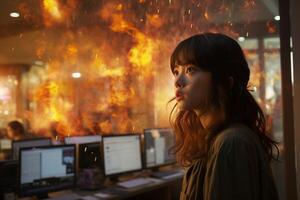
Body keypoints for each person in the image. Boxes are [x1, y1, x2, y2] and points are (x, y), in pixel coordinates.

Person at [169, 33, 279, 200]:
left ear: (225, 82)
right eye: (176, 71)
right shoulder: (214, 139)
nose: (177, 81)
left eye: (190, 70)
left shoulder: (231, 143)